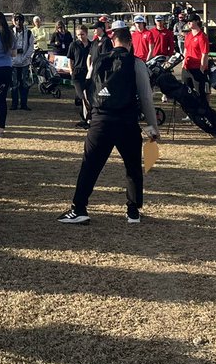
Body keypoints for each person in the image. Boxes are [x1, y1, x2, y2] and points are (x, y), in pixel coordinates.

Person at [58, 20, 161, 225]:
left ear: (113, 41)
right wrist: (152, 129)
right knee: (132, 167)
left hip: (101, 121)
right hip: (127, 122)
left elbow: (87, 91)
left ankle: (79, 209)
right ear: (130, 42)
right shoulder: (136, 63)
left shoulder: (98, 61)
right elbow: (146, 98)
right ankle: (133, 211)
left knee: (90, 166)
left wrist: (90, 117)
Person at [67, 24, 92, 127]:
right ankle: (84, 118)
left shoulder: (92, 45)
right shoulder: (73, 45)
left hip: (88, 73)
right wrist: (71, 70)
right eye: (78, 35)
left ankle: (87, 118)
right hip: (77, 73)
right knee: (82, 96)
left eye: (82, 34)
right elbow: (70, 59)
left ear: (86, 33)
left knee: (88, 96)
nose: (80, 36)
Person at [181, 17, 211, 101]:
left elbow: (204, 54)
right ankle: (189, 108)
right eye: (188, 22)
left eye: (191, 21)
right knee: (186, 92)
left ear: (197, 21)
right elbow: (185, 50)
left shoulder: (202, 37)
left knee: (200, 93)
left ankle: (202, 108)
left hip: (197, 68)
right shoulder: (188, 35)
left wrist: (202, 68)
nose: (188, 23)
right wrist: (183, 63)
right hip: (187, 67)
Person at [9, 12, 34, 111]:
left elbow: (31, 47)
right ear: (13, 21)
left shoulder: (28, 33)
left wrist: (25, 57)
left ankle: (24, 104)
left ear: (23, 21)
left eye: (20, 20)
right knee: (14, 84)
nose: (18, 22)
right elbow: (7, 46)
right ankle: (14, 104)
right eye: (16, 20)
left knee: (24, 84)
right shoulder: (10, 32)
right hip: (13, 62)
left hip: (24, 62)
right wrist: (13, 56)